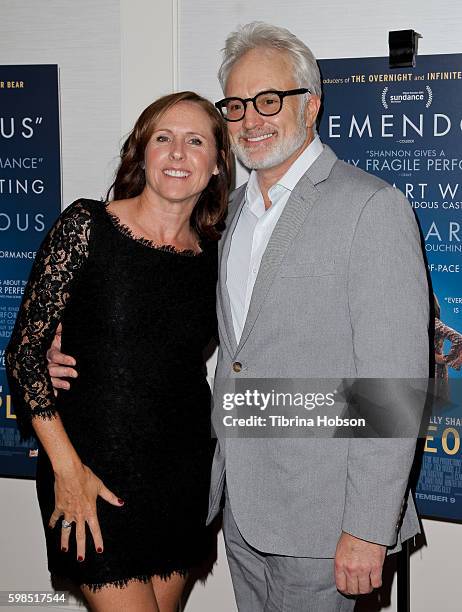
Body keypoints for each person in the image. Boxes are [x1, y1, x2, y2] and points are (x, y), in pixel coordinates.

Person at [49, 22, 430, 612]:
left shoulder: (371, 209)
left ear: (312, 107)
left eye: (270, 100)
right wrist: (69, 357)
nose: (251, 118)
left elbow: (393, 388)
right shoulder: (223, 219)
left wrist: (369, 528)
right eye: (236, 104)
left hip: (325, 520)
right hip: (239, 510)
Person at [6, 90, 231, 612]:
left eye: (195, 141)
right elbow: (23, 353)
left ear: (217, 165)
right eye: (164, 139)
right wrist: (68, 471)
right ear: (142, 152)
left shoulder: (216, 255)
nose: (178, 153)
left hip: (181, 477)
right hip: (89, 474)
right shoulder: (86, 226)